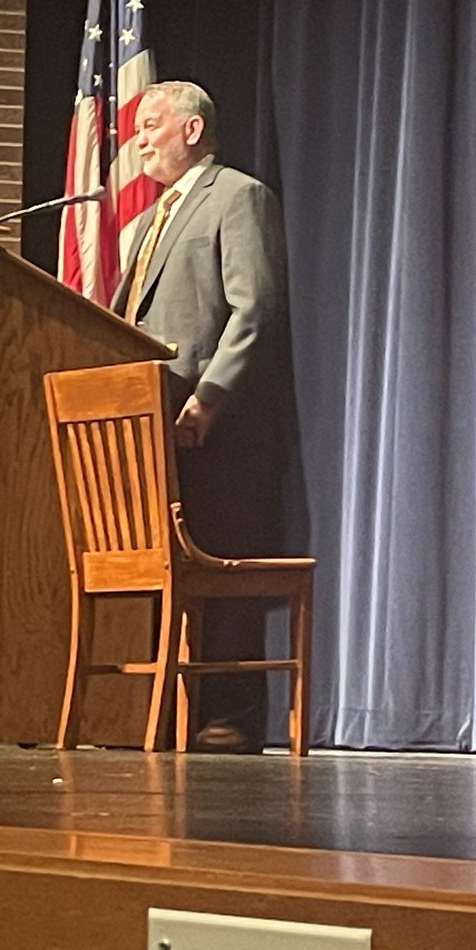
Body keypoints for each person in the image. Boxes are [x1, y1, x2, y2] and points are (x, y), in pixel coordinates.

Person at [111, 80, 291, 754]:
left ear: (192, 129)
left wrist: (210, 395)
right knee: (166, 572)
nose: (139, 140)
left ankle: (230, 717)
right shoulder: (155, 219)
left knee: (224, 570)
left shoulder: (236, 196)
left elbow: (256, 309)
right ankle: (160, 711)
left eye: (151, 124)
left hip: (219, 430)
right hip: (152, 426)